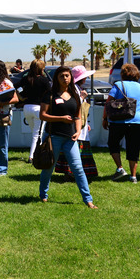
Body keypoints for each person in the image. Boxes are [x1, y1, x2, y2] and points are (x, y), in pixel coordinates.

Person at [39, 66, 97, 209]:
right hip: (54, 136)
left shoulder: (75, 95)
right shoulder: (50, 95)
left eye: (67, 75)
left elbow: (78, 116)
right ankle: (43, 195)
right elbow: (42, 115)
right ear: (56, 79)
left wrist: (78, 131)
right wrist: (61, 118)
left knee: (78, 168)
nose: (65, 78)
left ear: (71, 77)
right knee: (49, 167)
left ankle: (88, 200)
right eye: (62, 76)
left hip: (70, 138)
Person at [103, 63, 140, 184]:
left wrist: (104, 118)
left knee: (113, 143)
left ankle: (120, 168)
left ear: (123, 74)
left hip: (118, 120)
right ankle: (133, 176)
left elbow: (108, 103)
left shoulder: (118, 85)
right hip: (138, 121)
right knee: (134, 148)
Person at [54, 65, 98, 181]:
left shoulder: (75, 89)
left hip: (77, 124)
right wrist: (82, 98)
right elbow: (75, 107)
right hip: (74, 125)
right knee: (74, 148)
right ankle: (71, 172)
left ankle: (71, 172)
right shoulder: (75, 90)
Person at [18, 59, 50, 163]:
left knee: (34, 133)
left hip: (27, 108)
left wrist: (21, 98)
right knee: (37, 134)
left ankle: (35, 153)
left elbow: (13, 87)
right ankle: (32, 156)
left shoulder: (26, 78)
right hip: (38, 108)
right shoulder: (44, 80)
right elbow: (50, 93)